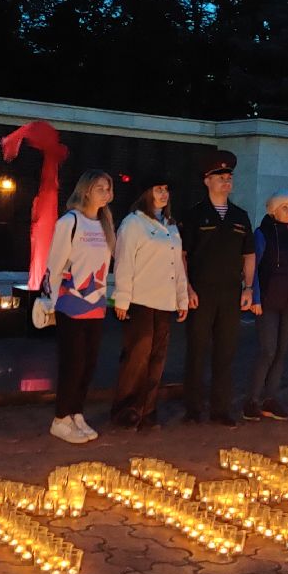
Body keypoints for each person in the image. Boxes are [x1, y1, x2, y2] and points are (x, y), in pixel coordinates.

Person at [178, 151, 255, 427]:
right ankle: (193, 408)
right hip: (201, 291)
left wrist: (248, 288)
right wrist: (186, 288)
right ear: (207, 181)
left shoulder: (240, 216)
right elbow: (183, 255)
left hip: (230, 292)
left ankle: (221, 408)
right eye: (220, 177)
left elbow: (249, 254)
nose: (226, 180)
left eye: (229, 176)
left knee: (226, 351)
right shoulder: (194, 215)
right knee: (197, 351)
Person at [42, 170, 116, 444]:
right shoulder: (70, 222)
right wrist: (49, 301)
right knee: (72, 363)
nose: (106, 193)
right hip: (70, 303)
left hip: (96, 304)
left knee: (89, 363)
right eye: (100, 188)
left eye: (108, 189)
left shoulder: (106, 223)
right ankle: (60, 418)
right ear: (86, 190)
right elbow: (55, 263)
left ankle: (76, 412)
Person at [110, 179, 190, 431]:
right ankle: (127, 408)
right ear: (146, 193)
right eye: (158, 189)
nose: (164, 194)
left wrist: (181, 297)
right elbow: (124, 262)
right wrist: (121, 298)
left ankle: (148, 408)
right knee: (137, 356)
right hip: (140, 299)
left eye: (166, 189)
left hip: (164, 301)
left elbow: (176, 265)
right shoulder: (134, 223)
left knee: (157, 357)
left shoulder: (171, 226)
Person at [243, 191, 288, 422]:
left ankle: (270, 398)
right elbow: (256, 268)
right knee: (268, 350)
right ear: (273, 209)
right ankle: (252, 399)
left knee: (282, 351)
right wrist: (255, 297)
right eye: (285, 207)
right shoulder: (262, 234)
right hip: (269, 301)